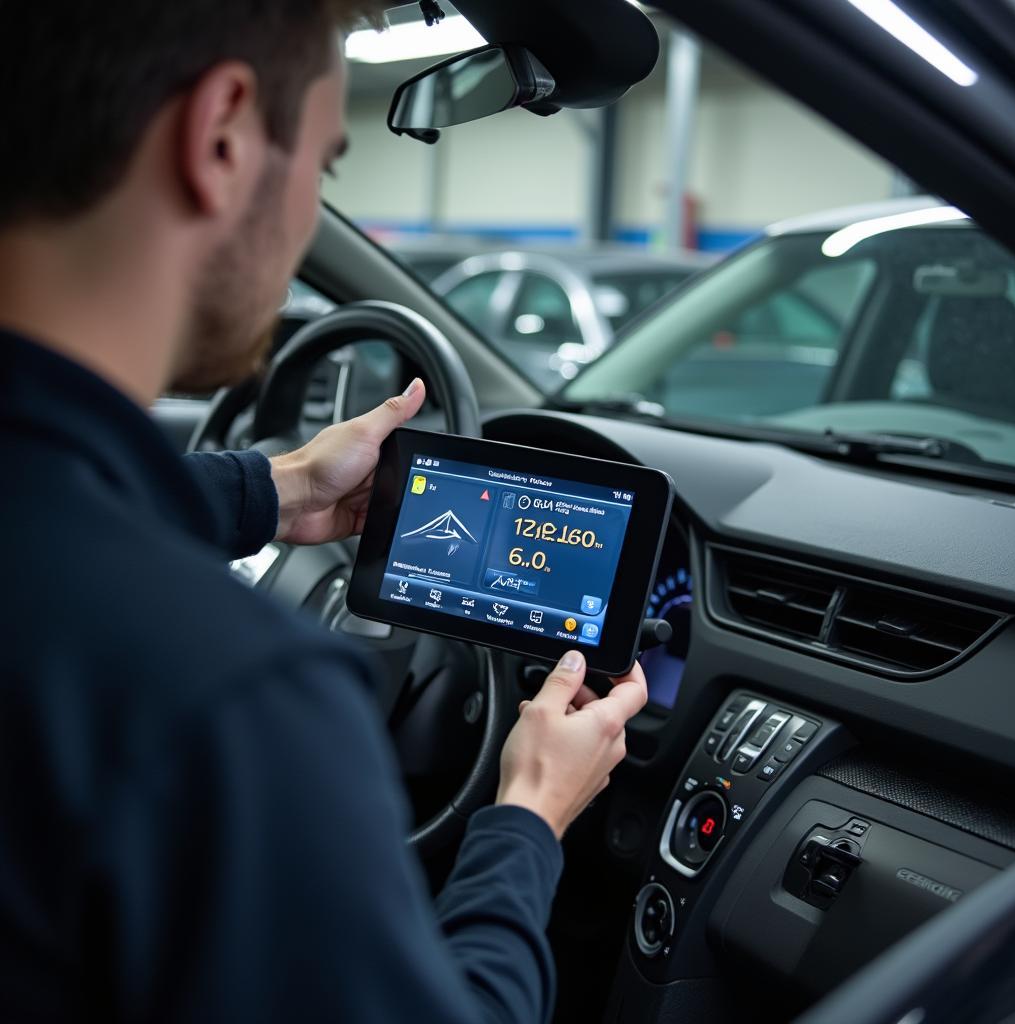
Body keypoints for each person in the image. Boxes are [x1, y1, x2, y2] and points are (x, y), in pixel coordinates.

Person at [0, 2, 648, 1021]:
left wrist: (271, 488)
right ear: (218, 137)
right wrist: (528, 814)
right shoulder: (233, 698)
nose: (308, 216)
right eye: (326, 167)